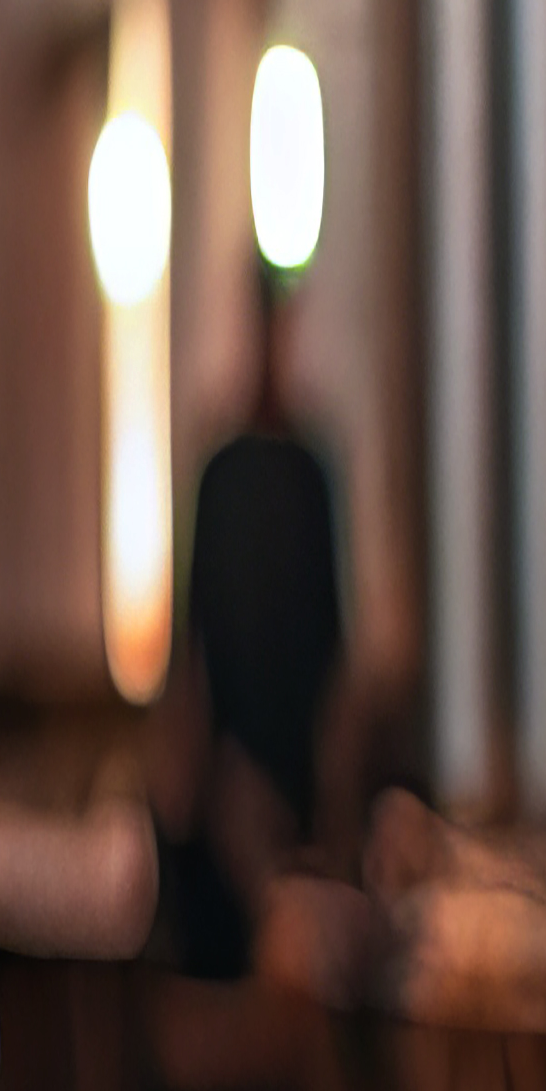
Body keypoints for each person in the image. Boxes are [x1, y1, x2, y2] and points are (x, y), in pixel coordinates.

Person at [179, 280, 354, 883]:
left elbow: (332, 628)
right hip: (235, 755)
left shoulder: (309, 469)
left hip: (296, 754)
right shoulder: (223, 472)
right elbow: (195, 622)